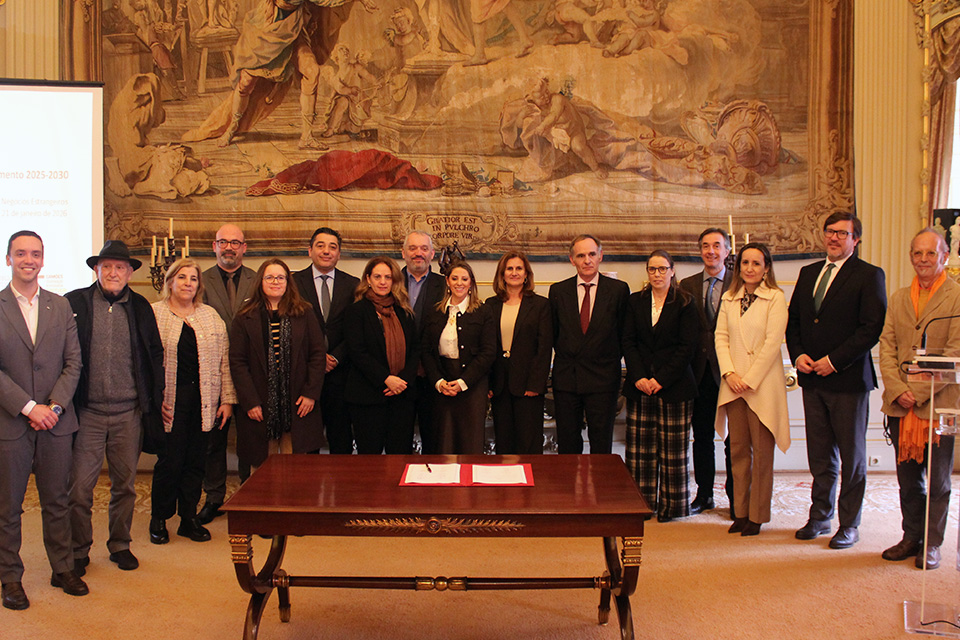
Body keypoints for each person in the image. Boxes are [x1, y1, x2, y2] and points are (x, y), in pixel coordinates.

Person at [786, 211, 887, 549]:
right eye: (830, 231)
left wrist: (834, 361)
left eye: (842, 233)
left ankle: (849, 524)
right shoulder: (809, 272)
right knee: (820, 456)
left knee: (852, 458)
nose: (833, 237)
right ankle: (820, 516)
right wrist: (798, 354)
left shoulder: (869, 275)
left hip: (848, 381)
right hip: (812, 379)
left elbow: (870, 329)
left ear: (855, 239)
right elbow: (795, 321)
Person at [66, 240, 166, 575]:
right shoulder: (75, 303)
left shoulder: (141, 307)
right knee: (79, 490)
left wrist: (155, 396)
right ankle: (79, 549)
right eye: (106, 266)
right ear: (96, 270)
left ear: (129, 273)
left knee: (125, 487)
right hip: (87, 413)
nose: (113, 273)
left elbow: (155, 354)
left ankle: (120, 544)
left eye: (119, 267)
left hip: (128, 414)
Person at [0, 231, 86, 609]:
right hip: (11, 424)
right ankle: (10, 578)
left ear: (43, 259)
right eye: (21, 253)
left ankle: (62, 568)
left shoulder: (60, 306)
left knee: (57, 501)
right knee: (8, 507)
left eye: (35, 254)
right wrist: (28, 407)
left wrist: (53, 408)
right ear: (8, 259)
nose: (28, 260)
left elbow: (73, 362)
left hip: (56, 423)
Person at [182, 0, 380, 149]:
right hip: (268, 31)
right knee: (246, 83)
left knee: (312, 71)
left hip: (294, 29)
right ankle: (232, 128)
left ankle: (306, 136)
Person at [878, 229, 960, 570]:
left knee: (938, 481)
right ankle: (911, 536)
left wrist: (919, 392)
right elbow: (887, 347)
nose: (923, 259)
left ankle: (932, 543)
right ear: (911, 256)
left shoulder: (957, 296)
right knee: (908, 479)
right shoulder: (898, 297)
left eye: (930, 253)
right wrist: (899, 390)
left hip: (940, 404)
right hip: (901, 405)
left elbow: (956, 352)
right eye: (917, 253)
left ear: (944, 256)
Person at [150, 259, 236, 546]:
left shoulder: (210, 315)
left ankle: (188, 518)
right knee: (170, 462)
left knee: (196, 462)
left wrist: (227, 400)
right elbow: (145, 362)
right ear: (170, 281)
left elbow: (225, 361)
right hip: (170, 402)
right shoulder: (155, 314)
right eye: (182, 277)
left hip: (205, 401)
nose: (188, 283)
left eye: (194, 278)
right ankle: (159, 518)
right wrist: (154, 400)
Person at [714, 243, 790, 537]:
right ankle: (741, 512)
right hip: (733, 385)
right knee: (737, 451)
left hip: (761, 386)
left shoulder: (775, 297)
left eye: (756, 263)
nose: (749, 268)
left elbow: (773, 343)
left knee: (761, 453)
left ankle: (757, 515)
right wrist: (730, 373)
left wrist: (749, 379)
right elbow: (720, 337)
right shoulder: (729, 297)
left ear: (766, 268)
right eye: (745, 262)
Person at [621, 250, 699, 522]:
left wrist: (661, 379)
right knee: (640, 452)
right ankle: (642, 505)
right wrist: (639, 377)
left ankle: (673, 507)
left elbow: (687, 347)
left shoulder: (685, 302)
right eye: (652, 269)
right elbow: (628, 341)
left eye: (662, 269)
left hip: (675, 386)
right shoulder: (635, 301)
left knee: (673, 451)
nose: (657, 274)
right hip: (640, 385)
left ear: (672, 271)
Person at [230, 259, 326, 468]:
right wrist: (250, 401)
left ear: (288, 282)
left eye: (281, 277)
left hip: (298, 402)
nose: (275, 282)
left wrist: (310, 393)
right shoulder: (245, 316)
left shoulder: (304, 312)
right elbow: (237, 362)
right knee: (263, 468)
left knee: (296, 467)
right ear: (260, 281)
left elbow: (318, 355)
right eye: (270, 277)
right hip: (260, 404)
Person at [549, 234, 630, 454]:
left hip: (603, 378)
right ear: (571, 259)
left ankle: (599, 480)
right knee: (568, 443)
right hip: (568, 379)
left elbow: (624, 335)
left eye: (592, 254)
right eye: (581, 255)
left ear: (600, 256)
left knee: (601, 443)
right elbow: (554, 335)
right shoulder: (558, 291)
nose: (587, 260)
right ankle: (569, 479)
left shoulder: (618, 290)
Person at [198, 224, 257, 524]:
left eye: (235, 242)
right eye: (224, 242)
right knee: (214, 439)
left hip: (250, 371)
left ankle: (250, 495)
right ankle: (214, 497)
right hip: (213, 371)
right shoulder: (200, 280)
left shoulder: (258, 280)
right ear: (214, 246)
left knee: (249, 439)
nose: (229, 247)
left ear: (244, 248)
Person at [679, 228, 734, 516]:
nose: (710, 251)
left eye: (716, 246)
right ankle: (704, 494)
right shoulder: (687, 284)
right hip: (698, 372)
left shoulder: (739, 281)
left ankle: (737, 496)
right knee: (701, 437)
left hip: (730, 372)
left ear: (727, 251)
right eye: (705, 246)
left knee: (734, 439)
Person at [292, 227, 359, 454]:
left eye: (332, 247)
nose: (326, 251)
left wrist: (336, 357)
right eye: (320, 246)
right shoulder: (293, 283)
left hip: (340, 374)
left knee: (340, 440)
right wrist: (317, 359)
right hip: (305, 374)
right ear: (310, 250)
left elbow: (356, 331)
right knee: (307, 441)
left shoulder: (353, 284)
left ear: (339, 254)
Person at [343, 257, 420, 454]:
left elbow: (415, 350)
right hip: (368, 397)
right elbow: (357, 351)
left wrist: (402, 381)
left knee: (400, 458)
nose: (383, 282)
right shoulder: (356, 311)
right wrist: (386, 379)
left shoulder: (404, 311)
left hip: (401, 397)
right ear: (368, 279)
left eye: (388, 277)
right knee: (370, 460)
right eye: (377, 277)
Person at [422, 261, 496, 454]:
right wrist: (439, 382)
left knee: (469, 441)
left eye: (464, 279)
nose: (459, 283)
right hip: (443, 386)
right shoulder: (435, 312)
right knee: (443, 441)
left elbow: (488, 352)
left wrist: (463, 382)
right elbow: (426, 351)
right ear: (447, 281)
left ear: (471, 283)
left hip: (472, 385)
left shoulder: (483, 311)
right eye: (454, 278)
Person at [485, 251, 552, 454]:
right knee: (504, 441)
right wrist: (488, 383)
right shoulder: (490, 305)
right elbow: (486, 347)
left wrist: (535, 384)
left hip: (528, 384)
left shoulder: (540, 305)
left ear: (526, 274)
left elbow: (544, 348)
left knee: (528, 442)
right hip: (499, 384)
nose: (514, 273)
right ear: (502, 274)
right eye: (509, 269)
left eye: (519, 268)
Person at [399, 230, 445, 453]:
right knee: (399, 441)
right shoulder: (390, 282)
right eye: (413, 248)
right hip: (398, 375)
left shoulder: (445, 285)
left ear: (432, 254)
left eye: (424, 248)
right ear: (403, 253)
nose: (419, 253)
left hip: (432, 375)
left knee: (433, 442)